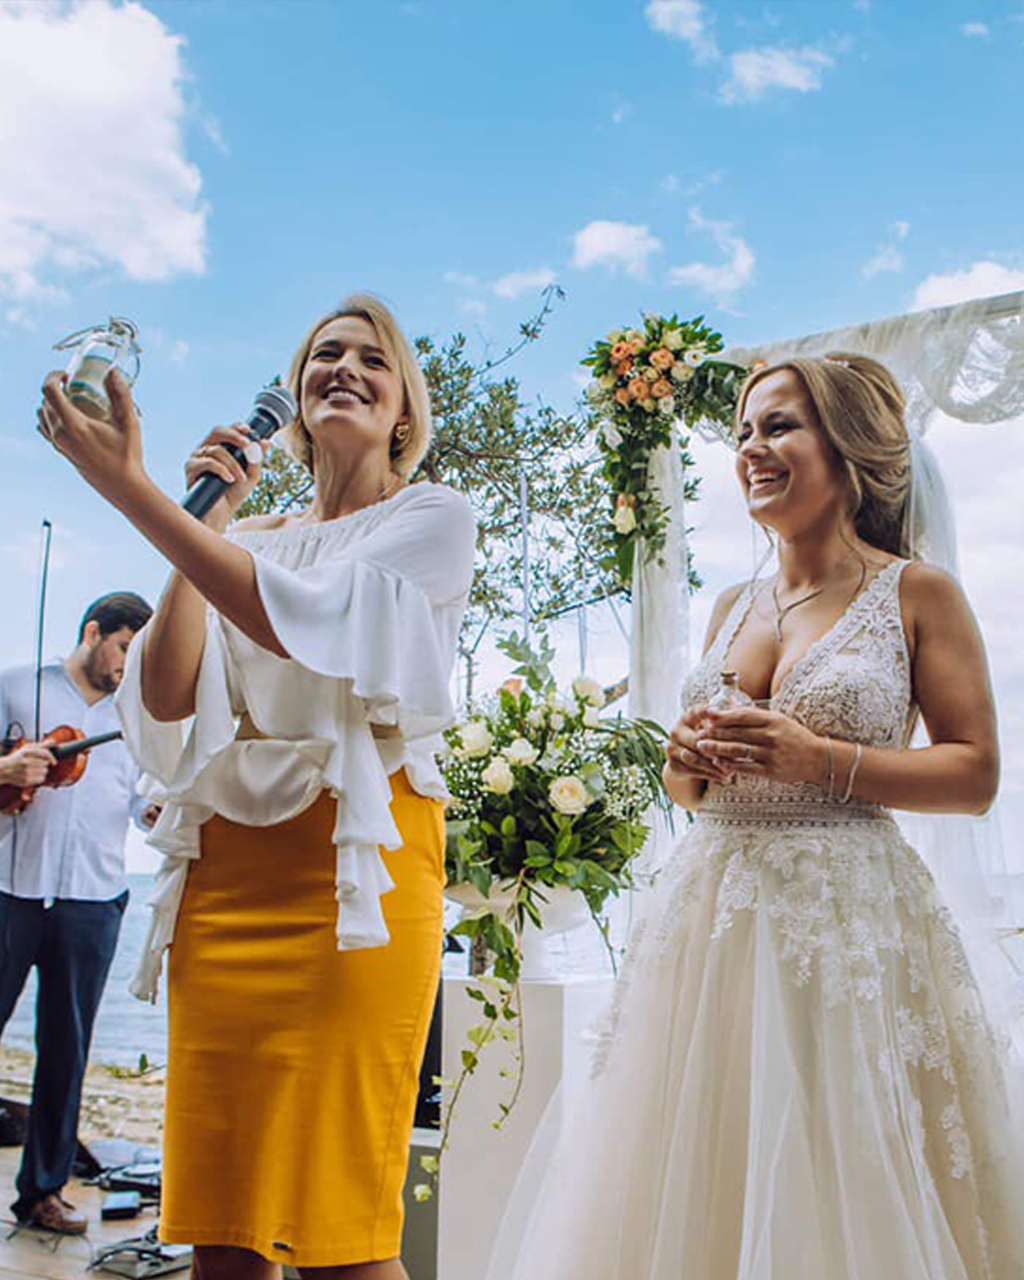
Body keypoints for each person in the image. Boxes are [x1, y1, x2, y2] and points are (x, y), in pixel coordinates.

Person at [483, 353, 1024, 1280]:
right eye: (743, 433)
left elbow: (974, 773)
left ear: (846, 446)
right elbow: (690, 792)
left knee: (835, 1158)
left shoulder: (916, 593)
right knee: (695, 1162)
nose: (753, 450)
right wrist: (681, 764)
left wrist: (823, 761)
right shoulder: (732, 604)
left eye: (779, 426)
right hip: (710, 925)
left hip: (846, 929)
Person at [36, 293, 476, 1279]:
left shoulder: (433, 518)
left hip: (353, 883)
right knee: (223, 1236)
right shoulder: (247, 535)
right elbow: (165, 683)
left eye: (372, 358)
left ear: (404, 403)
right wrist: (209, 513)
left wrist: (130, 490)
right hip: (224, 881)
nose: (344, 369)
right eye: (325, 353)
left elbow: (299, 621)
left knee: (339, 1236)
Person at [0, 590, 155, 1235]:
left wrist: (154, 810)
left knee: (67, 1052)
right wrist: (8, 765)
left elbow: (145, 792)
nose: (128, 664)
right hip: (9, 889)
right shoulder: (15, 686)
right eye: (124, 648)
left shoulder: (137, 715)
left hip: (93, 900)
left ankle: (42, 1192)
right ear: (94, 632)